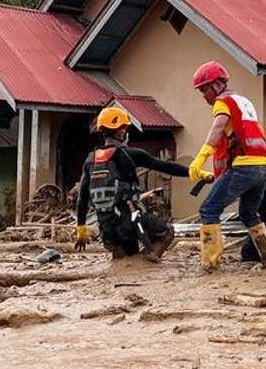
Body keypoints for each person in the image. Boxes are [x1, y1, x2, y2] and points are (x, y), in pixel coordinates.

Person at [187, 61, 266, 271]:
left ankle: (210, 265)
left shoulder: (222, 102)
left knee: (209, 209)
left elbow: (218, 128)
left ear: (218, 84)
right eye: (201, 91)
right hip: (262, 168)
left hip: (244, 167)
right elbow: (252, 134)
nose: (204, 95)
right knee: (248, 213)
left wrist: (201, 156)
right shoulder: (244, 102)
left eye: (205, 89)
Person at [75, 107, 187, 262]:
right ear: (120, 131)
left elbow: (82, 198)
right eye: (125, 128)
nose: (126, 132)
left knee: (123, 263)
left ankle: (133, 268)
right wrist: (194, 172)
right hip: (131, 223)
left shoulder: (90, 160)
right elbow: (166, 166)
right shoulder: (130, 154)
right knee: (167, 231)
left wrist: (81, 229)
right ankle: (144, 264)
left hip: (107, 229)